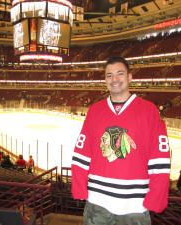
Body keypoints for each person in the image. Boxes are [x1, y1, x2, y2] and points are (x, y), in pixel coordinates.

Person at [71, 56, 171, 225]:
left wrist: (156, 197)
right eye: (109, 75)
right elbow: (82, 151)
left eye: (119, 74)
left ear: (130, 77)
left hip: (134, 206)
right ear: (105, 80)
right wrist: (79, 187)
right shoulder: (95, 111)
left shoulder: (149, 111)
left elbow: (160, 158)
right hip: (97, 203)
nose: (114, 79)